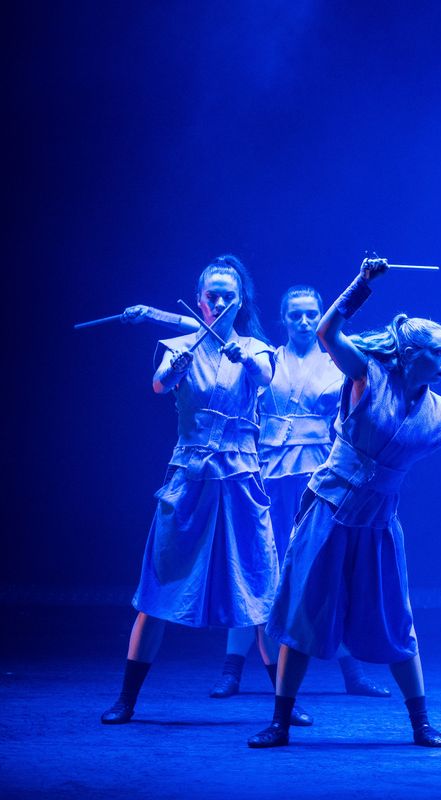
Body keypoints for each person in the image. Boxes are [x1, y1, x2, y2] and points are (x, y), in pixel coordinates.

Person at [247, 258, 441, 749]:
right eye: (438, 354)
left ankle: (420, 722)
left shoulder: (440, 412)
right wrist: (361, 284)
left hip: (378, 523)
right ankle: (280, 721)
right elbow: (328, 333)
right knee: (302, 613)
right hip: (330, 511)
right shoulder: (368, 374)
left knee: (397, 618)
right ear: (410, 355)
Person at [101, 255, 280, 725]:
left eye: (227, 296)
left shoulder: (256, 349)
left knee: (261, 588)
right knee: (158, 587)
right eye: (211, 295)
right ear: (199, 300)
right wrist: (174, 369)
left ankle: (285, 703)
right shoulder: (178, 345)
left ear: (241, 301)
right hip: (189, 477)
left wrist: (244, 359)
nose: (219, 303)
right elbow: (159, 386)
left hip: (240, 480)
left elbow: (266, 377)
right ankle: (127, 699)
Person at [209, 286, 391, 702]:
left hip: (319, 477)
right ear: (284, 319)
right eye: (296, 315)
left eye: (312, 314)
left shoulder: (336, 362)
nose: (305, 322)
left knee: (326, 571)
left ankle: (352, 672)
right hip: (270, 476)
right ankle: (232, 669)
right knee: (258, 569)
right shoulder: (267, 358)